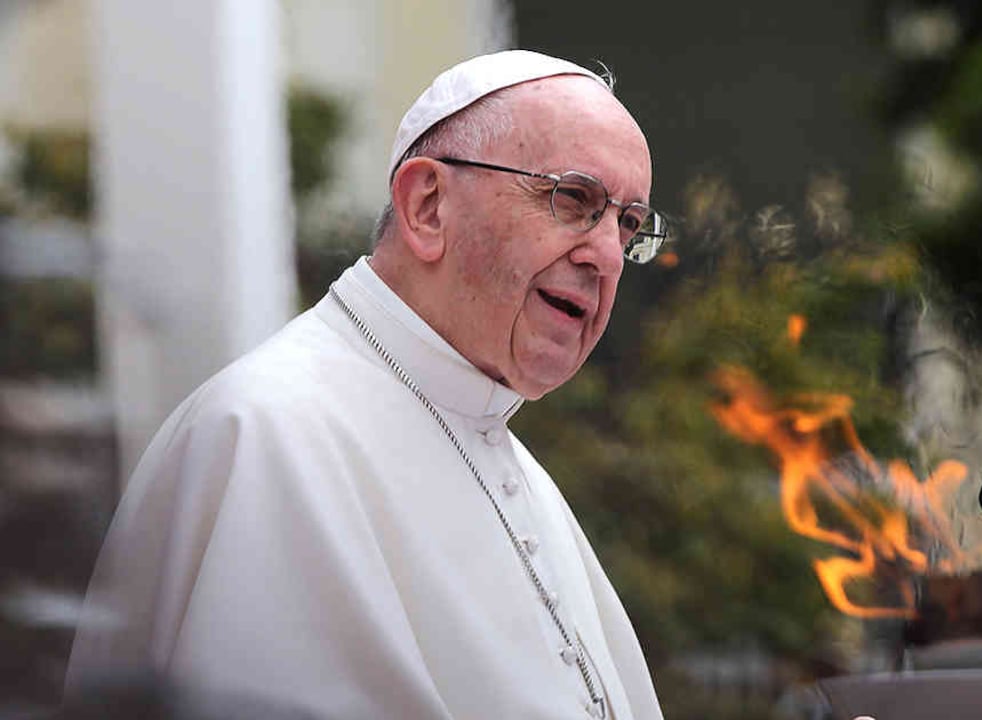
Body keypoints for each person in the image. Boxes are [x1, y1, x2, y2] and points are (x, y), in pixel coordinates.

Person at [65, 50, 669, 720]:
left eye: (628, 224)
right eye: (574, 199)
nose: (608, 255)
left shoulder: (508, 458)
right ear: (429, 206)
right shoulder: (270, 434)